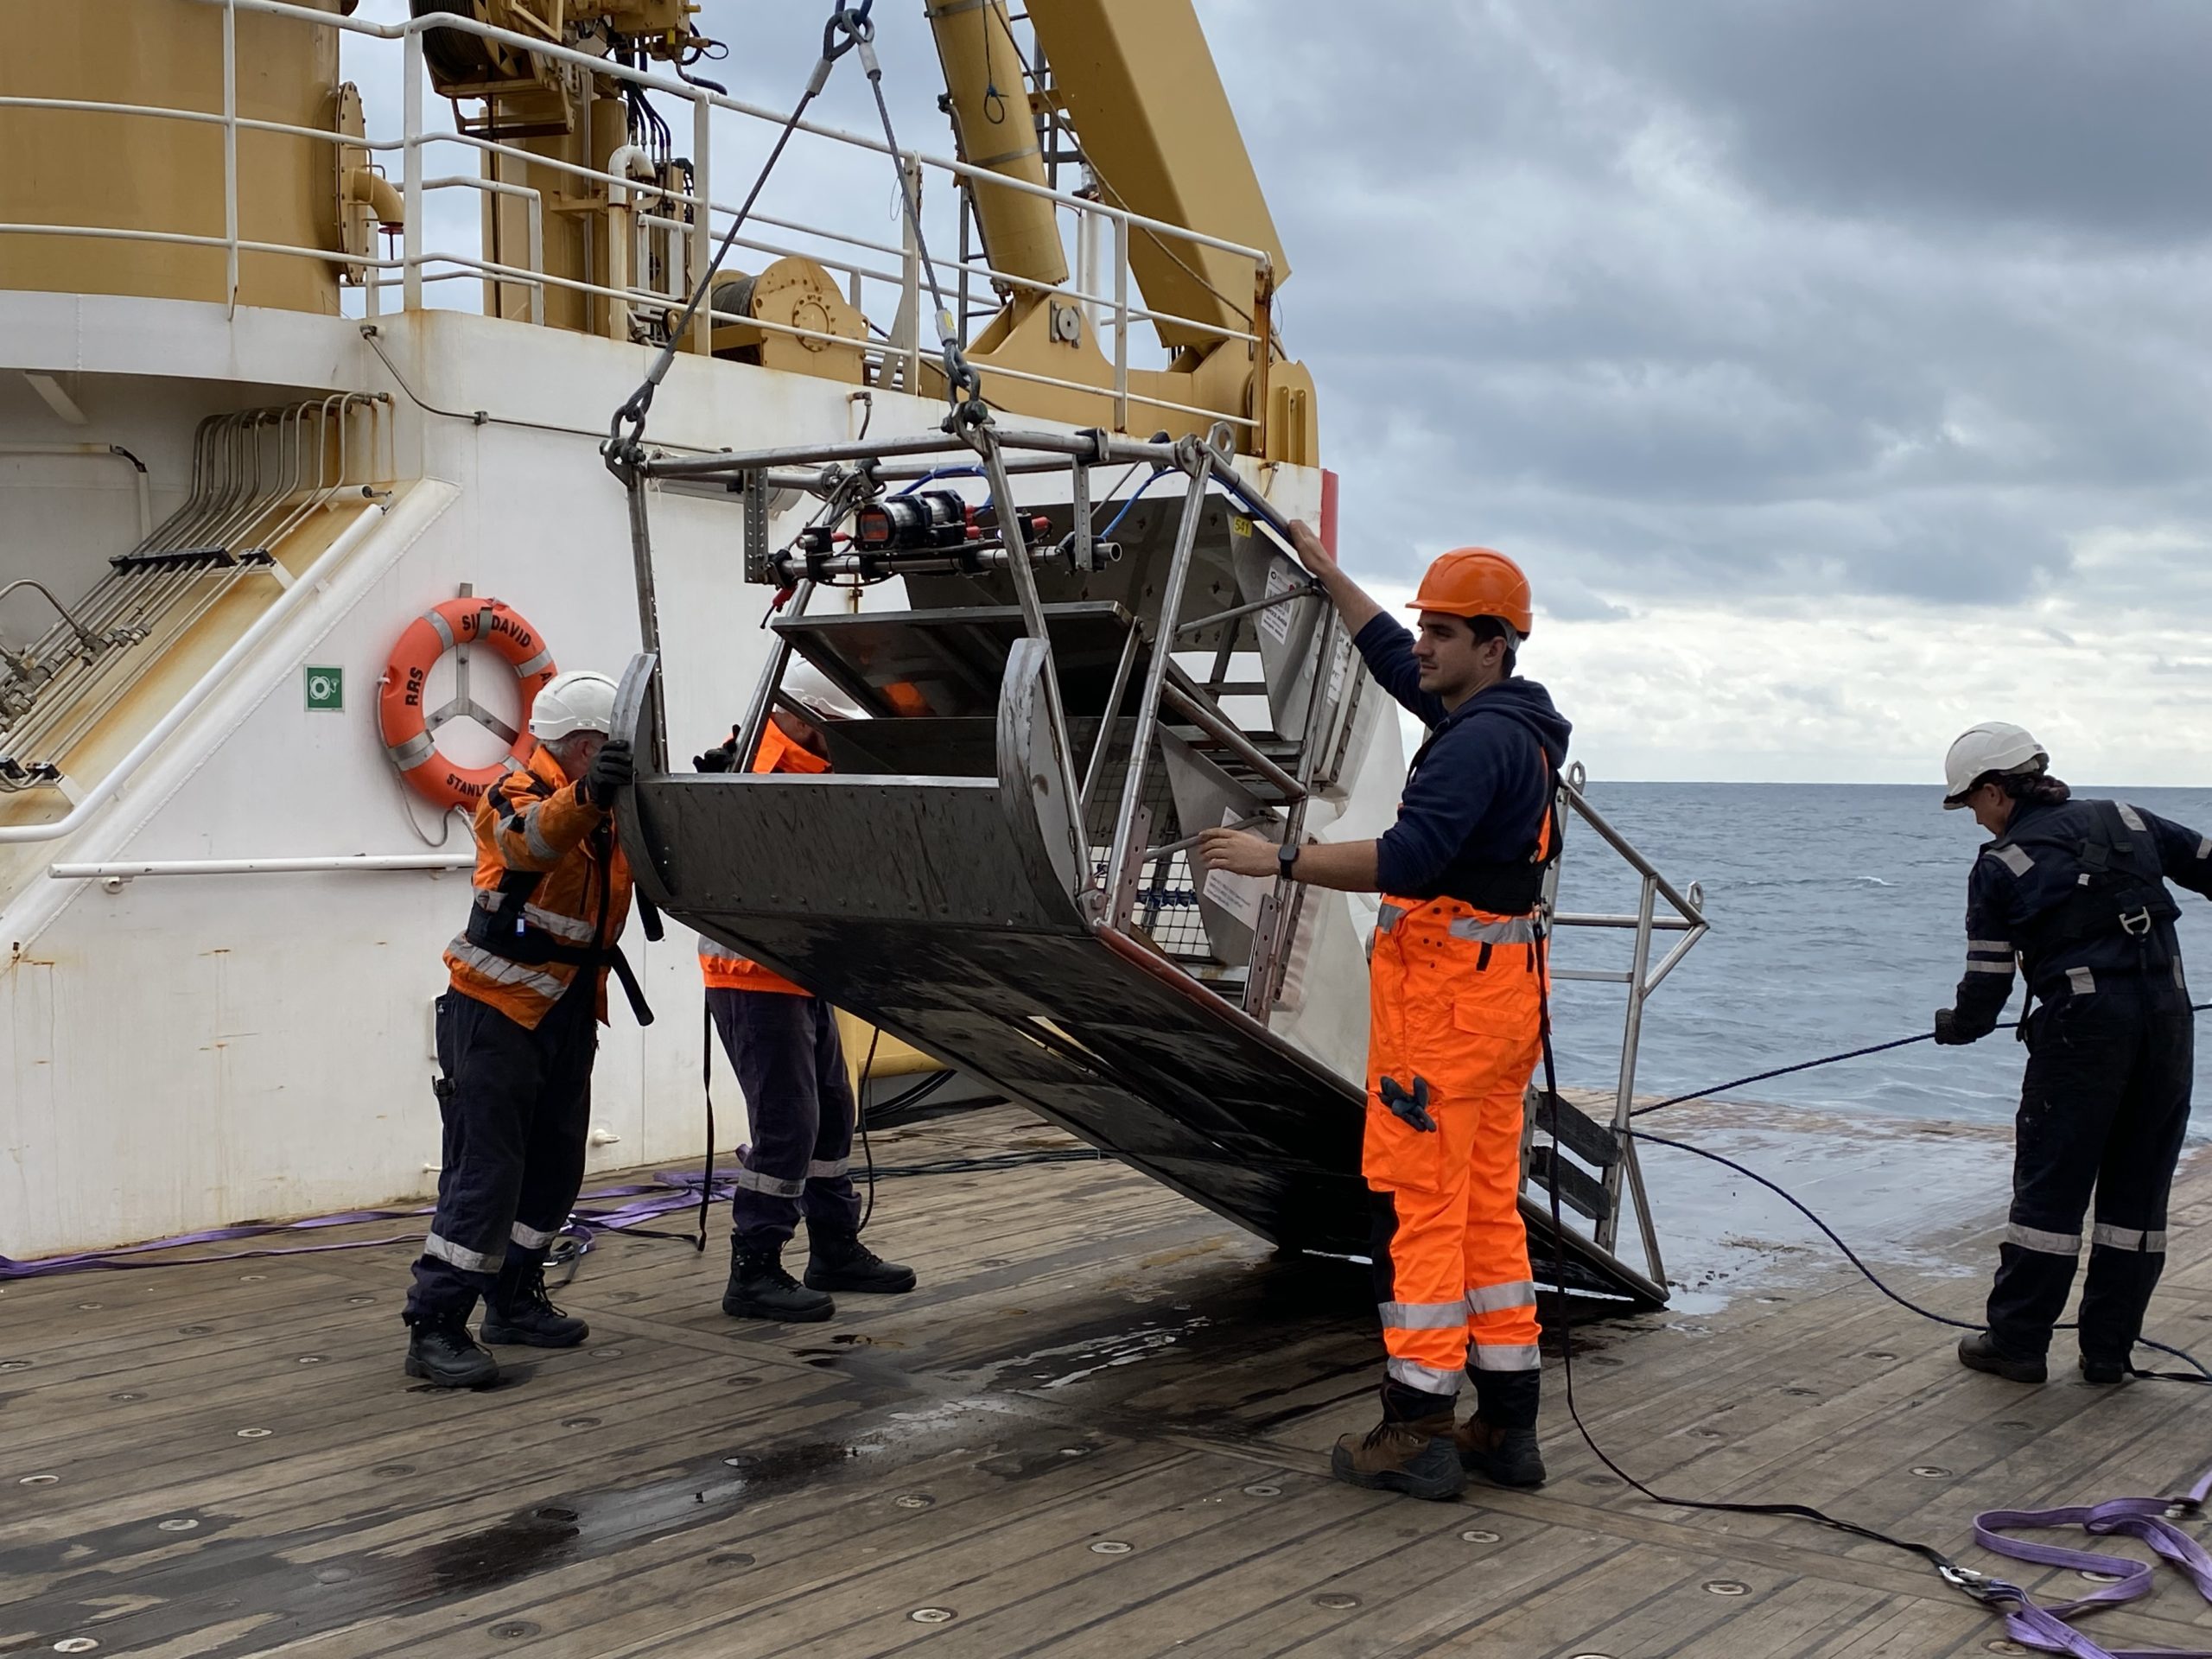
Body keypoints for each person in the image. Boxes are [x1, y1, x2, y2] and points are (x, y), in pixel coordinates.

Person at [1197, 522, 1569, 1503]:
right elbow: (1393, 664)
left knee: (1415, 1216)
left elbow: (1404, 861)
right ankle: (1507, 1426)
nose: (1425, 647)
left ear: (1494, 644)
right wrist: (1329, 576)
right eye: (1425, 627)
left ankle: (1414, 1431)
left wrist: (1275, 860)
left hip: (1442, 1021)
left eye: (1444, 633)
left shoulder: (1468, 750)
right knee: (1490, 1212)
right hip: (1499, 1013)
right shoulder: (1513, 724)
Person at [1934, 721, 2209, 1386]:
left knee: (2051, 1194)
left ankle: (2019, 1343)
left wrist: (1959, 1026)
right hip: (2168, 1026)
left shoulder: (1999, 866)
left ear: (1996, 791)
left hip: (2081, 1036)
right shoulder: (2128, 818)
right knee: (2137, 1197)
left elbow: (1989, 980)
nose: (1975, 820)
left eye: (1972, 804)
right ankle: (2109, 1353)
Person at [402, 669, 640, 1388]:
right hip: (496, 1011)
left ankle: (513, 1297)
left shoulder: (611, 810)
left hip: (569, 1006)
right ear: (579, 745)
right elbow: (528, 843)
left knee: (557, 1163)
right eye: (605, 747)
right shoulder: (512, 795)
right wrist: (592, 796)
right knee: (487, 1171)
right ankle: (436, 1323)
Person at [694, 703, 917, 1323]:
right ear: (800, 716)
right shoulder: (759, 769)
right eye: (829, 723)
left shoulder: (804, 767)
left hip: (798, 971)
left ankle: (833, 1247)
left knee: (830, 1114)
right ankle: (755, 1269)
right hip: (754, 974)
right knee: (787, 1123)